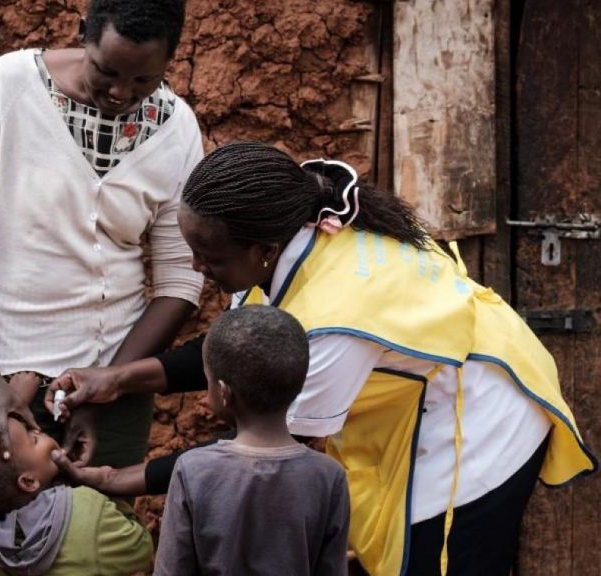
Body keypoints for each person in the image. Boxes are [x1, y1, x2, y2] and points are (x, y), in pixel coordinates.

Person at [47, 142, 597, 576]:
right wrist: (118, 378)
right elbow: (235, 350)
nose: (195, 267)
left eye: (208, 256)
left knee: (436, 558)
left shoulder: (331, 322)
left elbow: (261, 446)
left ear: (260, 251)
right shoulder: (300, 228)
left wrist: (122, 478)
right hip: (444, 378)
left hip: (479, 424)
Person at [0, 0, 204, 572]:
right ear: (83, 33)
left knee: (89, 553)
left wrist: (111, 385)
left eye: (144, 79)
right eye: (106, 71)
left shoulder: (176, 128)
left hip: (116, 389)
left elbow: (180, 280)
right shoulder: (10, 87)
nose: (122, 93)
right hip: (3, 384)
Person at [152, 305, 349, 576]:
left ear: (223, 392)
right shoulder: (328, 477)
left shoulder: (194, 470)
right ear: (299, 384)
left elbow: (171, 570)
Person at [0, 373, 153, 576]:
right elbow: (141, 548)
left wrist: (17, 400)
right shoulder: (86, 506)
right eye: (33, 439)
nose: (37, 430)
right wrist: (104, 493)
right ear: (29, 481)